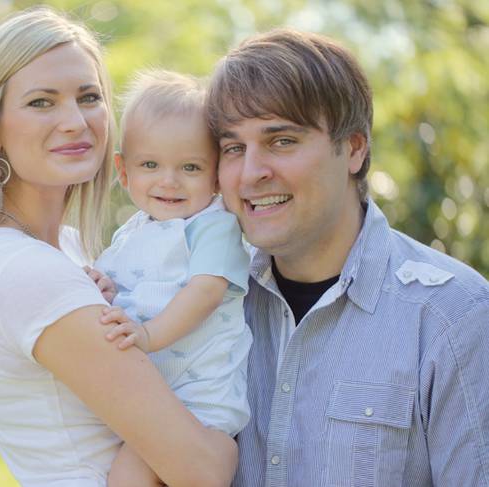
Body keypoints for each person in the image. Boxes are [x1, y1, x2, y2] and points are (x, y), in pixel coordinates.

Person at [0, 7, 237, 487]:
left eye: (89, 96)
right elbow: (203, 469)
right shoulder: (21, 267)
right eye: (41, 102)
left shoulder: (70, 251)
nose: (75, 121)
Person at [207, 29, 489, 486]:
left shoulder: (453, 317)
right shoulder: (209, 303)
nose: (251, 173)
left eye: (282, 141)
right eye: (233, 148)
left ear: (354, 148)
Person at [91, 70, 252, 486]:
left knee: (128, 475)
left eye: (190, 167)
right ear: (124, 172)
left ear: (216, 175)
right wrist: (105, 289)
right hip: (154, 397)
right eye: (150, 164)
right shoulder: (132, 232)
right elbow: (124, 289)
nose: (169, 180)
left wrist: (147, 337)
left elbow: (205, 293)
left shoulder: (213, 225)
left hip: (200, 400)